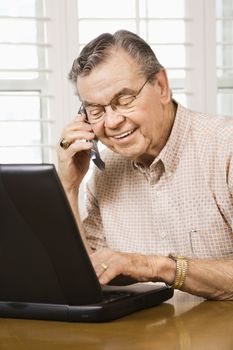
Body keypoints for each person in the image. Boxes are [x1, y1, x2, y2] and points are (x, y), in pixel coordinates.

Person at [58, 29, 233, 300]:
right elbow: (84, 279)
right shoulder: (104, 173)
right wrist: (69, 187)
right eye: (96, 111)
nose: (112, 121)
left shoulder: (225, 148)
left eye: (124, 100)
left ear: (161, 86)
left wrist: (155, 266)